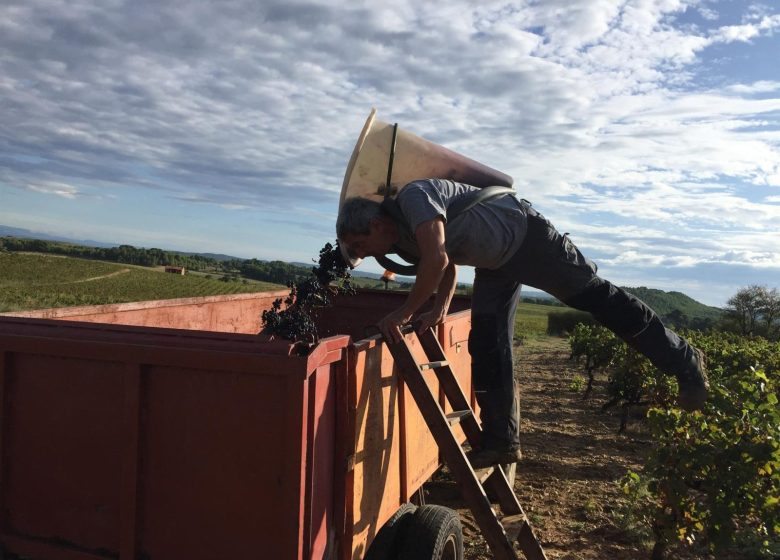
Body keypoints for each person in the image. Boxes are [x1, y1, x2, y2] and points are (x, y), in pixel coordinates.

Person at [336, 178, 709, 468]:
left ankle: (685, 361)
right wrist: (438, 309)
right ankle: (502, 441)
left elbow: (435, 259)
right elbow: (445, 263)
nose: (363, 254)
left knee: (597, 299)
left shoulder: (415, 198)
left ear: (374, 223)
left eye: (359, 244)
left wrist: (402, 314)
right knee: (486, 339)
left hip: (527, 236)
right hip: (495, 263)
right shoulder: (402, 240)